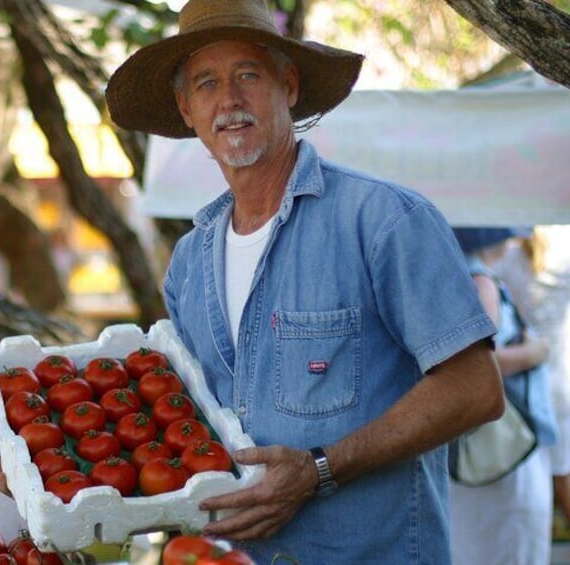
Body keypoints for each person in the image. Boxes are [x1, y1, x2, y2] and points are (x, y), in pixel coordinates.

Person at [103, 0, 505, 562]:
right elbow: (186, 424)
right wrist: (39, 466)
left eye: (248, 74)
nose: (229, 100)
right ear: (186, 109)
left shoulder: (383, 221)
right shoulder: (190, 262)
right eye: (206, 83)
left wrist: (319, 469)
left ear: (288, 86)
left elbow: (476, 390)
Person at [449, 227, 558, 565]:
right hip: (507, 448)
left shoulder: (454, 275)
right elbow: (481, 361)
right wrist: (535, 353)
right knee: (512, 545)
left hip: (483, 446)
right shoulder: (481, 281)